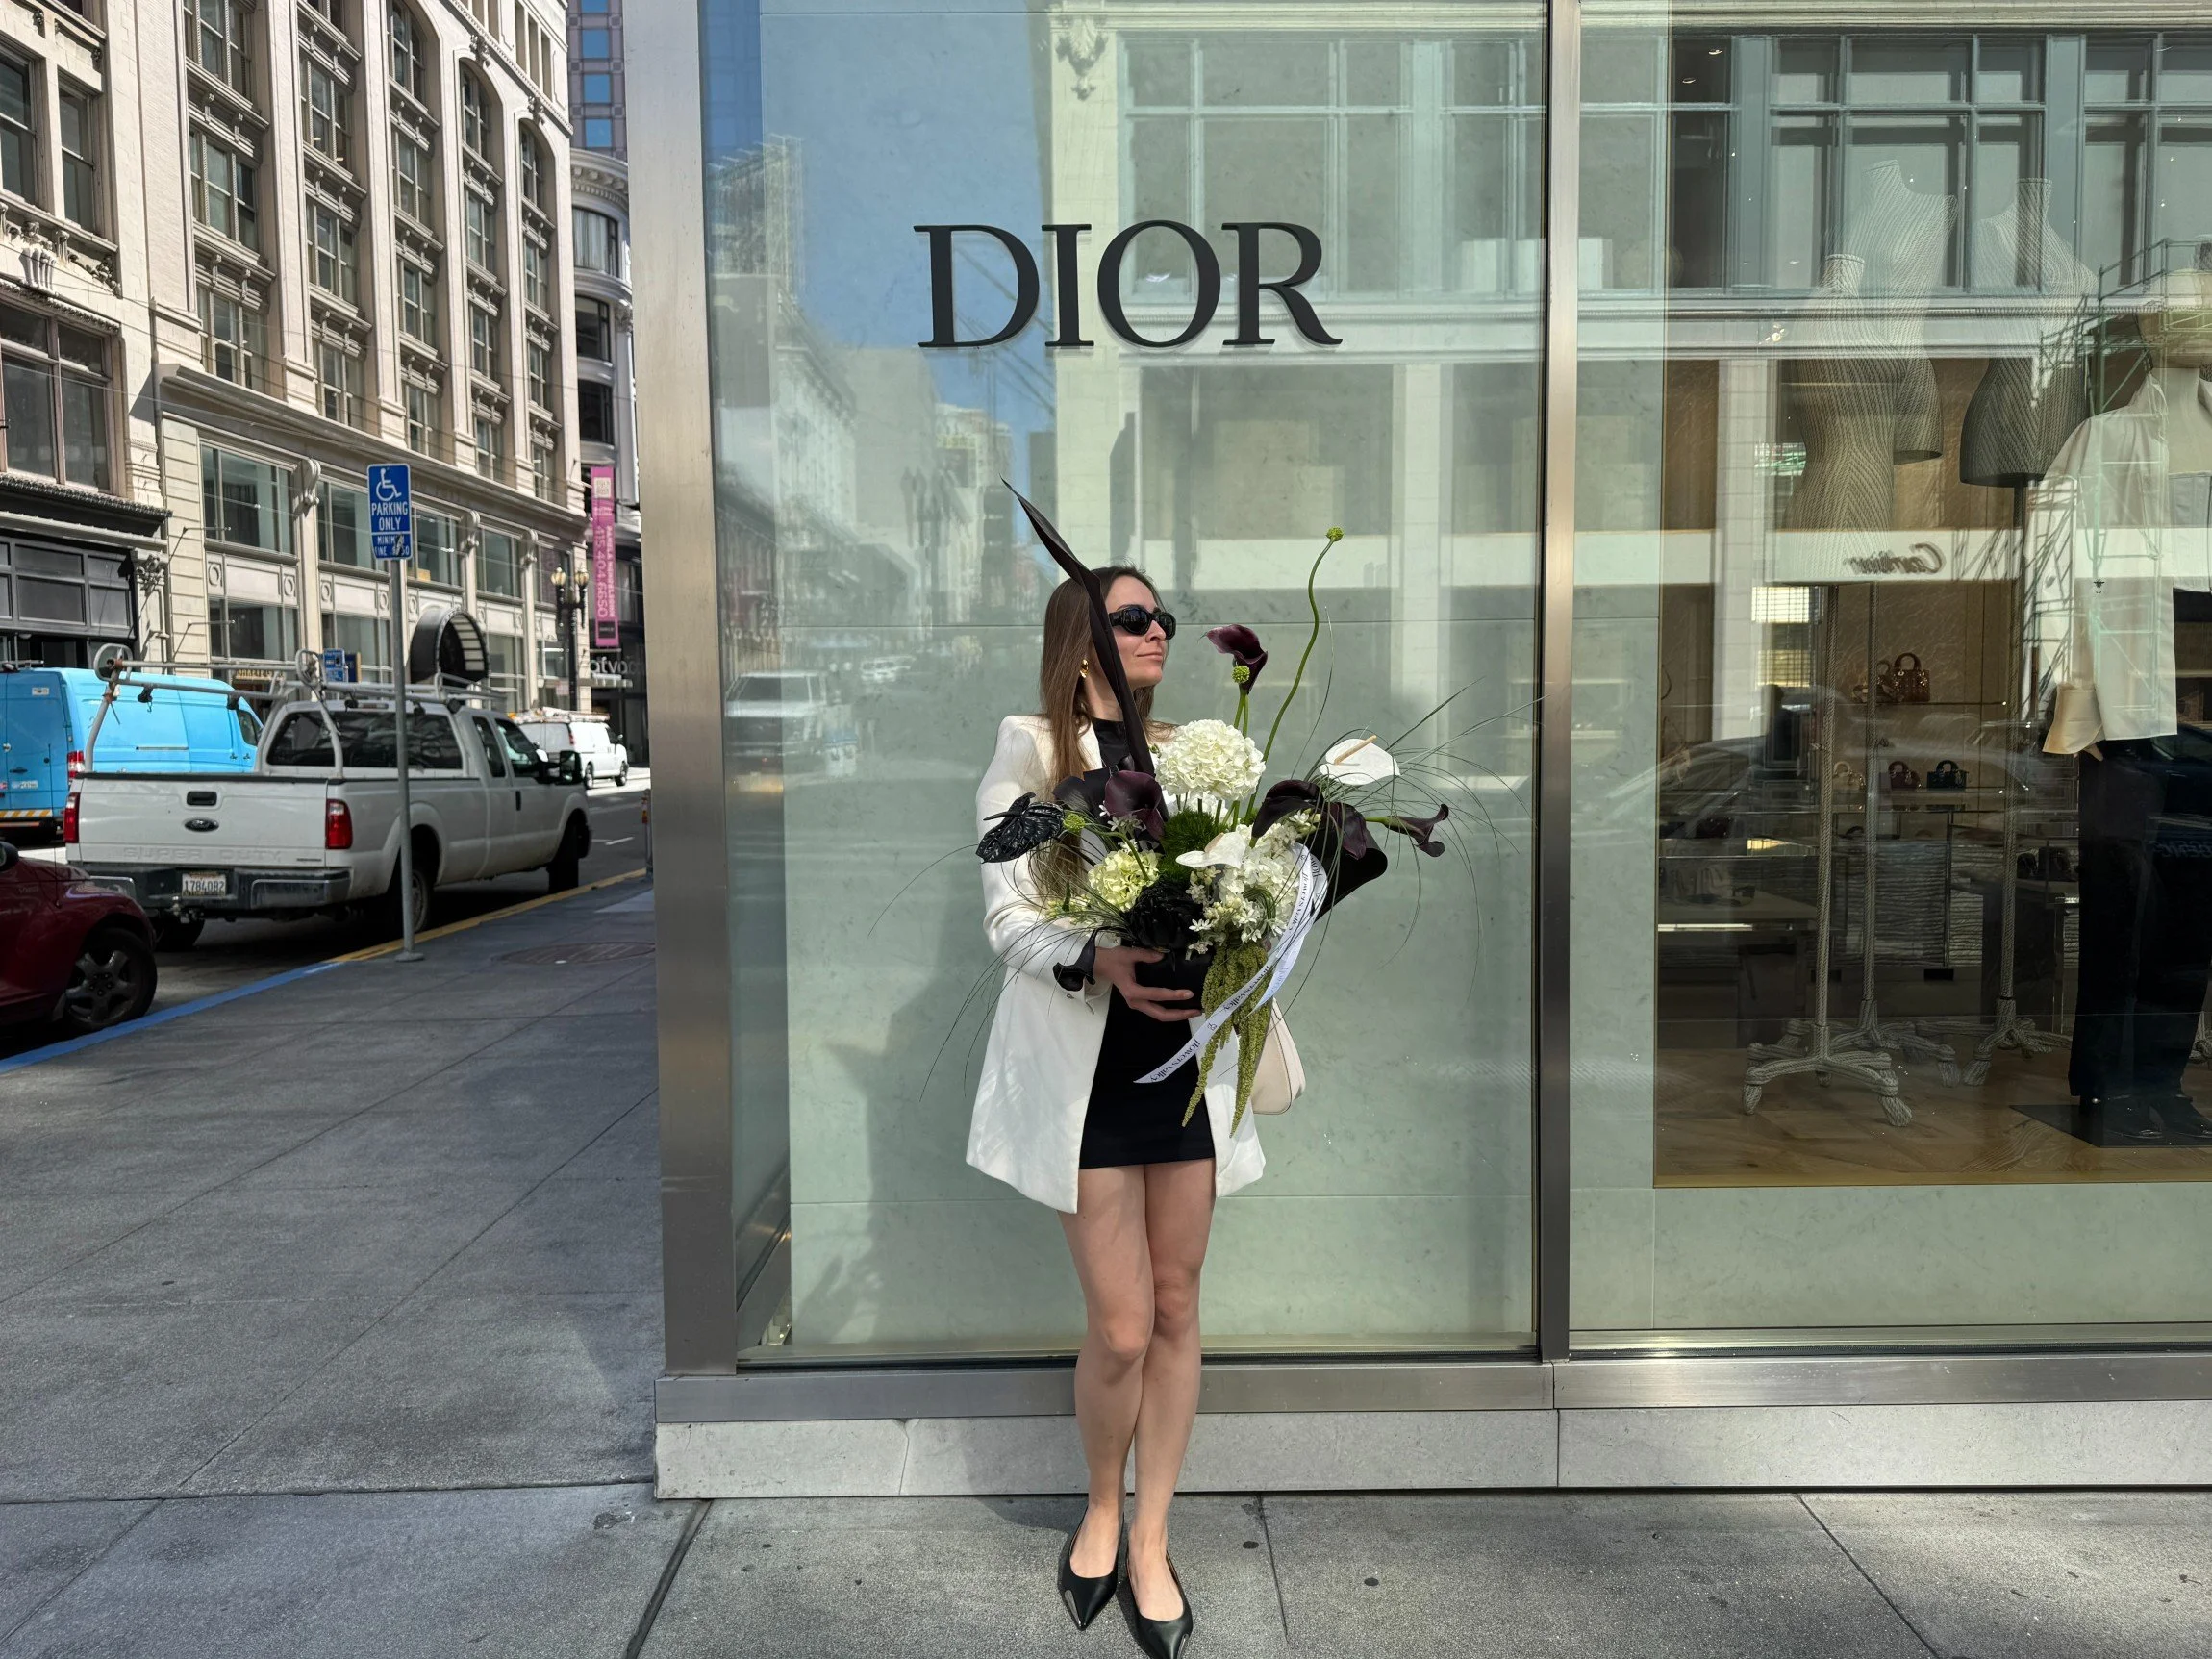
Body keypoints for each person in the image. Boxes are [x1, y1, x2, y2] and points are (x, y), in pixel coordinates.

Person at [968, 566, 1264, 1659]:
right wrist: (1098, 957)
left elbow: (1231, 887)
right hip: (1087, 1060)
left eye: (1163, 621)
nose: (1158, 634)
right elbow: (1006, 917)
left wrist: (1256, 908)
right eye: (1135, 619)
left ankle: (1150, 1535)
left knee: (1179, 1308)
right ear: (1084, 642)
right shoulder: (1031, 750)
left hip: (1180, 1057)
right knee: (1122, 1324)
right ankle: (1099, 1502)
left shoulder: (1191, 752)